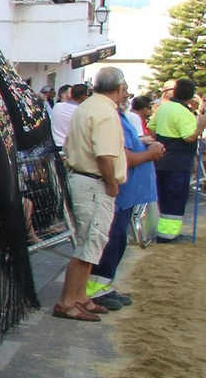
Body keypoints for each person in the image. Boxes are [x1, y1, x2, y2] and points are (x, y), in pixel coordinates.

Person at [54, 67, 128, 321]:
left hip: (84, 179)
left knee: (90, 243)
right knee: (88, 243)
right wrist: (111, 183)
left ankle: (80, 296)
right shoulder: (104, 112)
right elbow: (104, 154)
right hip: (94, 183)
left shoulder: (86, 106)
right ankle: (67, 301)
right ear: (119, 89)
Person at [87, 80, 165, 307]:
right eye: (125, 91)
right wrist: (149, 154)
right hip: (119, 193)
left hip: (127, 194)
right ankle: (95, 289)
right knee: (111, 241)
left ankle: (103, 285)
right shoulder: (108, 116)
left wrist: (142, 145)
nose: (128, 96)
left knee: (118, 241)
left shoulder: (116, 116)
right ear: (117, 90)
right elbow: (119, 156)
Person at [151, 78, 204, 242]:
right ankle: (168, 236)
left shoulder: (163, 109)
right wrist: (201, 126)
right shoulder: (183, 112)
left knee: (164, 196)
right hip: (178, 162)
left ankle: (162, 232)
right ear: (191, 94)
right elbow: (189, 137)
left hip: (162, 159)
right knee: (175, 198)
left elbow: (152, 128)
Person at [50, 83, 88, 148]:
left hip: (55, 145)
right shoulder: (81, 111)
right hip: (70, 147)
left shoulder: (57, 106)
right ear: (84, 97)